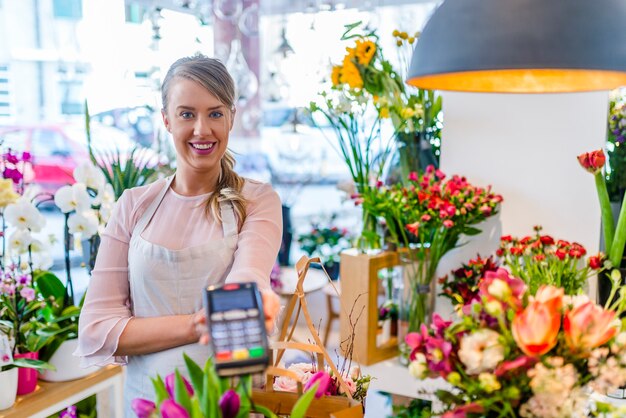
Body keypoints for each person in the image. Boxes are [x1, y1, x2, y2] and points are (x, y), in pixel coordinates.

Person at [74, 54, 283, 416]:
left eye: (215, 113)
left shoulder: (258, 200)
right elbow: (96, 328)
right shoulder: (132, 206)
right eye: (187, 114)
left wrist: (253, 299)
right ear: (166, 120)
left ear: (231, 117)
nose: (202, 129)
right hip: (149, 406)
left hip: (230, 403)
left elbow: (248, 276)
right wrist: (197, 323)